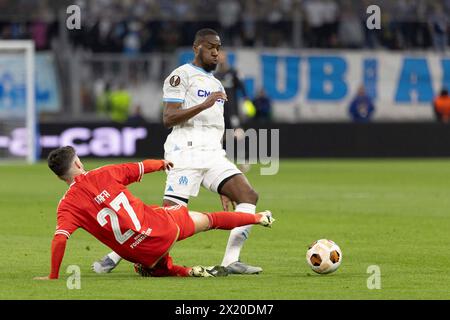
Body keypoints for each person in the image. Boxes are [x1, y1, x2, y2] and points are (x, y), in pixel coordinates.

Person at [93, 28, 264, 275]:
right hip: (185, 153)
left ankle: (230, 261)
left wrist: (222, 182)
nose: (216, 53)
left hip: (214, 154)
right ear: (197, 49)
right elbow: (169, 117)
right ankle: (115, 254)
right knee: (170, 221)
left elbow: (213, 127)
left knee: (247, 195)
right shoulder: (180, 76)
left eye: (219, 48)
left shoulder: (216, 83)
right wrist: (204, 103)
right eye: (210, 47)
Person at [33, 146, 275, 280]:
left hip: (142, 254)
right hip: (164, 227)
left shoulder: (66, 206)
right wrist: (161, 164)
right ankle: (258, 217)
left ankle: (186, 271)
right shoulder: (103, 173)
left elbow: (60, 238)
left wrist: (54, 275)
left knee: (153, 269)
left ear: (59, 177)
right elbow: (139, 167)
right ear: (78, 164)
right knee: (209, 220)